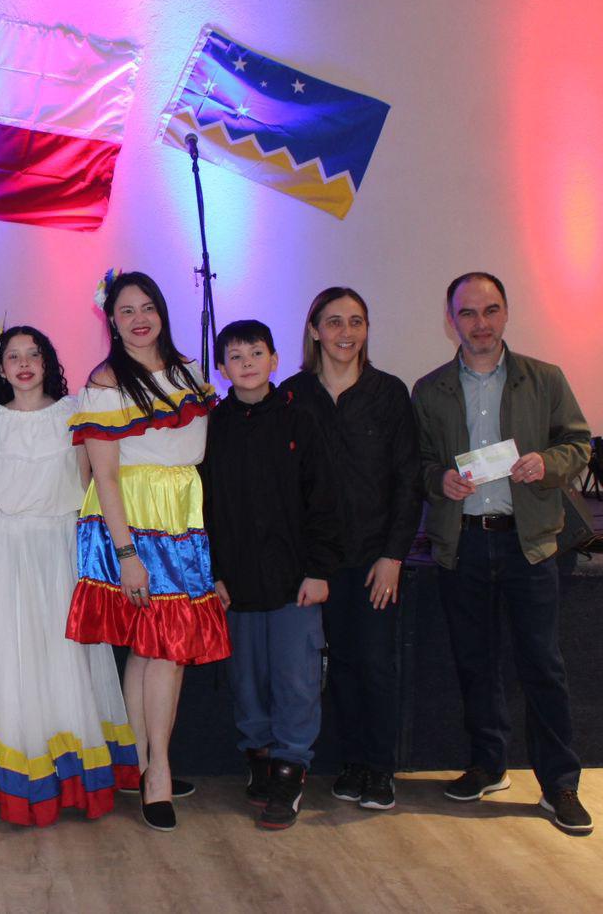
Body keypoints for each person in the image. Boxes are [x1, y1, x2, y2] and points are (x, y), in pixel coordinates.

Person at [411, 272, 593, 835]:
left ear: (506, 313)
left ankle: (559, 784)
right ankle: (488, 765)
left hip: (528, 543)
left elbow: (579, 443)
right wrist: (438, 479)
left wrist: (549, 463)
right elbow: (417, 464)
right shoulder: (430, 390)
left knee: (542, 665)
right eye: (468, 313)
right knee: (475, 662)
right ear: (451, 321)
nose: (481, 323)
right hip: (463, 542)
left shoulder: (545, 378)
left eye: (490, 310)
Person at [66, 270, 231, 832]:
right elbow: (105, 476)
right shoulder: (106, 381)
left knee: (153, 648)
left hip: (182, 520)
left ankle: (142, 764)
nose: (139, 319)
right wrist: (126, 553)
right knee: (166, 649)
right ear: (111, 321)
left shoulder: (188, 371)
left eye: (147, 307)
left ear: (161, 311)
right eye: (126, 311)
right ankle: (158, 769)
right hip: (133, 523)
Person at [0, 325, 139, 825]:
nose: (23, 364)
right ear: (0, 369)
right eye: (13, 357)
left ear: (47, 362)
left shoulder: (71, 413)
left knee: (65, 656)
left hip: (61, 547)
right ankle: (21, 775)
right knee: (14, 657)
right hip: (10, 547)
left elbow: (87, 484)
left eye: (33, 354)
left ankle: (72, 777)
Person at [281, 287, 420, 811]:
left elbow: (408, 480)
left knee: (375, 665)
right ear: (314, 330)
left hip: (373, 560)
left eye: (356, 321)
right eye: (335, 322)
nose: (346, 332)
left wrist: (394, 557)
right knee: (335, 666)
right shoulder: (292, 395)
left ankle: (379, 768)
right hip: (315, 563)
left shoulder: (389, 393)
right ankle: (351, 763)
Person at [204, 319, 341, 830]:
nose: (247, 364)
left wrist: (319, 570)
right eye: (235, 357)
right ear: (222, 369)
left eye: (256, 353)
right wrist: (213, 573)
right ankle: (258, 759)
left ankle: (290, 768)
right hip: (235, 584)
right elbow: (203, 507)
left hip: (294, 583)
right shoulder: (212, 427)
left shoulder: (300, 420)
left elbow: (325, 500)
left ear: (275, 360)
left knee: (295, 679)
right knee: (246, 681)